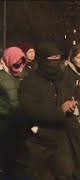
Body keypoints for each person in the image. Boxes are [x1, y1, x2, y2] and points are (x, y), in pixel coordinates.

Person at [16, 42, 76, 180]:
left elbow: (69, 94)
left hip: (60, 139)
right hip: (38, 141)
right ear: (43, 60)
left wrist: (72, 105)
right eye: (52, 58)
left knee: (66, 173)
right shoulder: (29, 82)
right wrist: (60, 111)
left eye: (58, 58)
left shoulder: (61, 78)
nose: (56, 62)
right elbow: (31, 110)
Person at [0, 47, 27, 177]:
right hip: (4, 124)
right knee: (7, 158)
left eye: (22, 61)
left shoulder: (23, 75)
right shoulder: (1, 77)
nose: (19, 64)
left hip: (19, 122)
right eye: (16, 61)